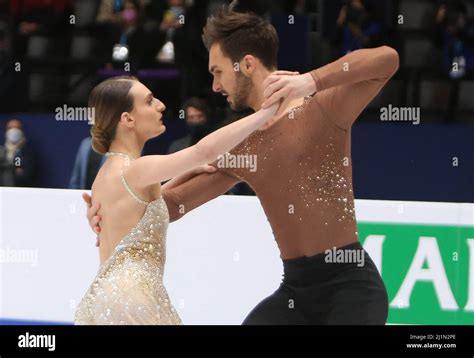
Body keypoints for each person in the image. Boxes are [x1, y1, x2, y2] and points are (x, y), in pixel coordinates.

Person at [85, 6, 399, 324]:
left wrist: (311, 81)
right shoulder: (242, 144)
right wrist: (115, 208)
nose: (215, 86)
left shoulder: (322, 107)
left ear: (246, 64)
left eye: (217, 72)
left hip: (351, 288)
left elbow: (387, 59)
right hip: (296, 292)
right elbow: (172, 206)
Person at [74, 75, 280, 325]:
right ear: (127, 119)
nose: (161, 106)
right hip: (132, 296)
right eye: (149, 102)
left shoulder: (108, 173)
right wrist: (266, 112)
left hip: (105, 296)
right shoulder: (136, 169)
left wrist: (182, 176)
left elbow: (142, 210)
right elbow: (203, 151)